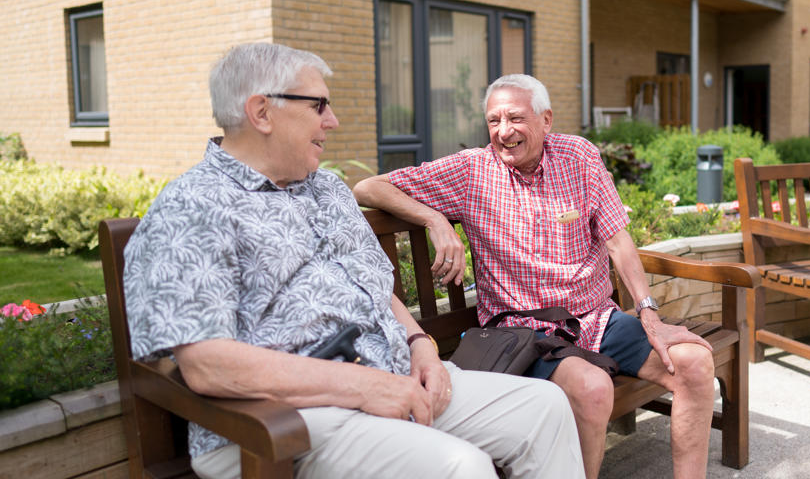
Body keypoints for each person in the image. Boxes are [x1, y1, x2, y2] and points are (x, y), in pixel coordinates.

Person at [122, 44, 583, 479]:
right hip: (283, 420)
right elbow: (208, 365)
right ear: (261, 112)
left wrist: (421, 346)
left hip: (391, 377)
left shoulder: (326, 189)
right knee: (458, 468)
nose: (334, 121)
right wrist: (363, 388)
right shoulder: (192, 209)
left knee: (546, 408)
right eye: (318, 106)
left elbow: (376, 289)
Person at [353, 74, 716, 479]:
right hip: (522, 328)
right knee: (592, 389)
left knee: (695, 364)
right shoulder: (470, 170)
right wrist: (435, 219)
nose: (503, 132)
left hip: (595, 317)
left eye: (515, 118)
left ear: (546, 120)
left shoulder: (579, 157)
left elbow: (618, 241)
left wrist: (650, 315)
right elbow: (367, 188)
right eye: (493, 121)